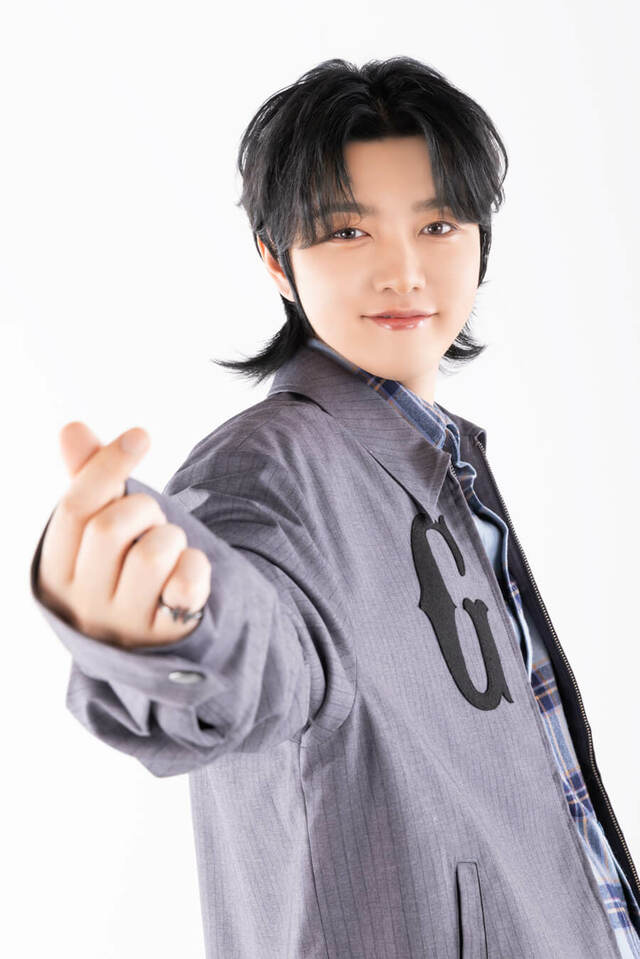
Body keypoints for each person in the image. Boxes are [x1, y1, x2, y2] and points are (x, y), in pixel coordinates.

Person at [29, 56, 640, 958]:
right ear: (277, 259)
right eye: (348, 231)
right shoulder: (267, 467)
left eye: (438, 224)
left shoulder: (446, 462)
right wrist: (160, 629)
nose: (403, 271)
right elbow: (251, 641)